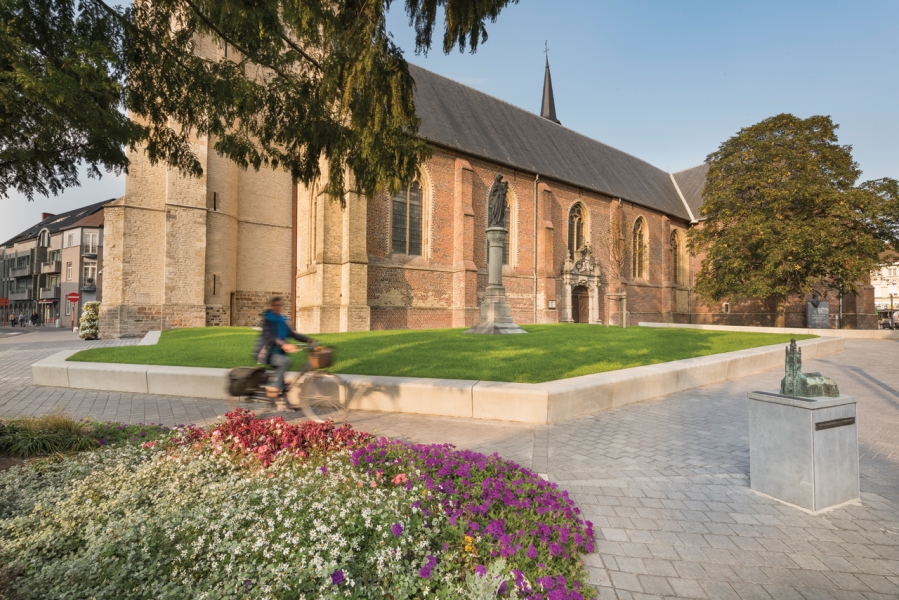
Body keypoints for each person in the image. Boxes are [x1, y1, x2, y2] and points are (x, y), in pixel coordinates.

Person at [257, 297, 314, 398]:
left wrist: (308, 340)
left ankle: (285, 402)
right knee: (285, 361)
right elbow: (270, 337)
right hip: (268, 353)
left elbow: (292, 334)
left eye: (280, 305)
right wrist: (283, 344)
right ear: (271, 306)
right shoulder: (267, 320)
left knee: (283, 380)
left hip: (278, 352)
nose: (278, 307)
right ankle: (273, 387)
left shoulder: (281, 320)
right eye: (276, 305)